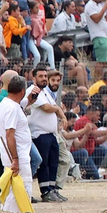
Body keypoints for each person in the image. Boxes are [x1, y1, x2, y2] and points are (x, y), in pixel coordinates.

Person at [26, 66, 66, 202]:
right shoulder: (33, 91)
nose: (43, 79)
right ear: (34, 78)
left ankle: (52, 189)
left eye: (45, 76)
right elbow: (47, 108)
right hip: (39, 134)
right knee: (44, 164)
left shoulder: (45, 93)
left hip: (50, 134)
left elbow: (54, 107)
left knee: (54, 163)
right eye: (41, 76)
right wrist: (57, 109)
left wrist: (61, 114)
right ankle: (45, 191)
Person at [0, 75, 35, 211]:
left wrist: (30, 99)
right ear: (22, 91)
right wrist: (15, 159)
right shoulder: (12, 108)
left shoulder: (7, 103)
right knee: (21, 187)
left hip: (15, 154)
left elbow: (21, 103)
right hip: (17, 155)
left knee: (13, 188)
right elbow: (10, 135)